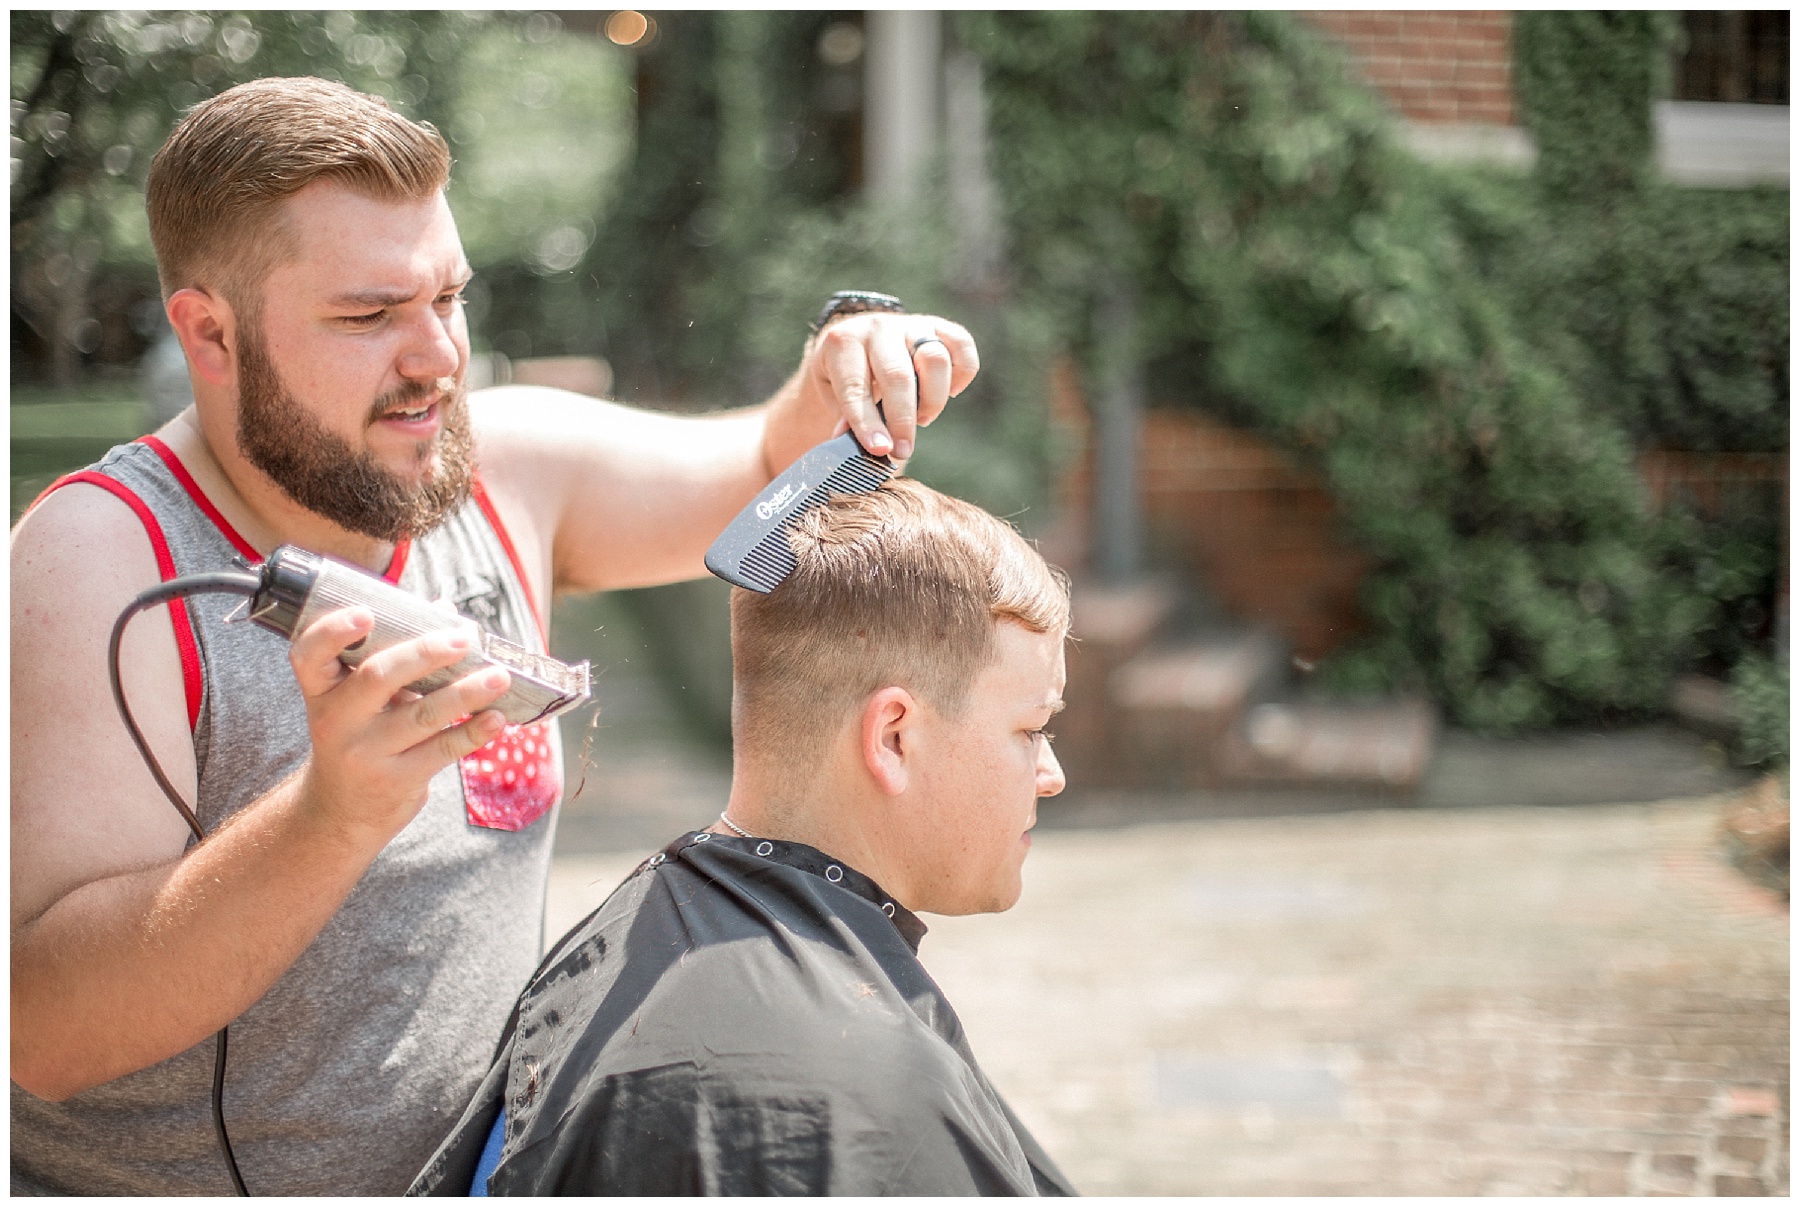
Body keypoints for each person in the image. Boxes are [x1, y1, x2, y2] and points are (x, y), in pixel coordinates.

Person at [9, 77, 979, 1196]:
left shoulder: (499, 470)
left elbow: (771, 464)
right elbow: (46, 1035)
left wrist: (850, 353)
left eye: (451, 299)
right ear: (209, 334)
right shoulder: (96, 560)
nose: (437, 360)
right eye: (370, 316)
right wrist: (333, 816)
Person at [409, 477, 1076, 1197]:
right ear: (893, 737)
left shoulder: (616, 945)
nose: (1051, 773)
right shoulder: (853, 1095)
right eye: (1031, 729)